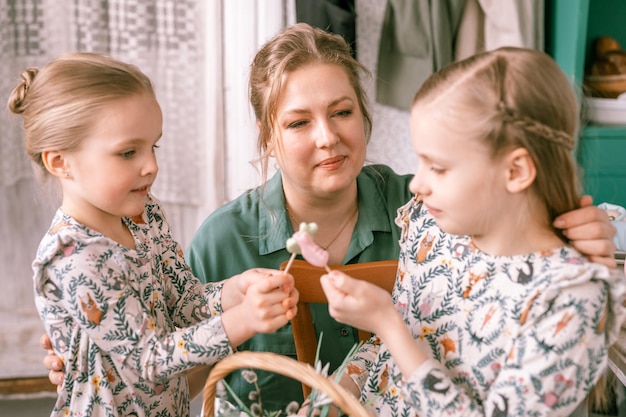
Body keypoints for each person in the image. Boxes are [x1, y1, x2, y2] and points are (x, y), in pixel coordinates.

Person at [41, 24, 619, 411]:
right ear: (267, 136)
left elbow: (535, 235)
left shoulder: (432, 210)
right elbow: (182, 379)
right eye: (297, 123)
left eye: (342, 112)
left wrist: (584, 226)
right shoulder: (224, 236)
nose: (328, 138)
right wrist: (94, 361)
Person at [319, 46, 626, 417]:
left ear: (515, 172)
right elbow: (383, 359)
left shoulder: (571, 298)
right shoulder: (429, 229)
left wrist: (388, 324)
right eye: (420, 161)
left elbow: (394, 336)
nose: (416, 183)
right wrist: (324, 403)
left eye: (439, 167)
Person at [8, 52, 298, 417]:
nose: (151, 166)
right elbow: (147, 359)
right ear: (60, 162)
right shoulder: (72, 256)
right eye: (128, 152)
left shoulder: (145, 217)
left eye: (153, 146)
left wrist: (234, 291)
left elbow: (183, 305)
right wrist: (242, 321)